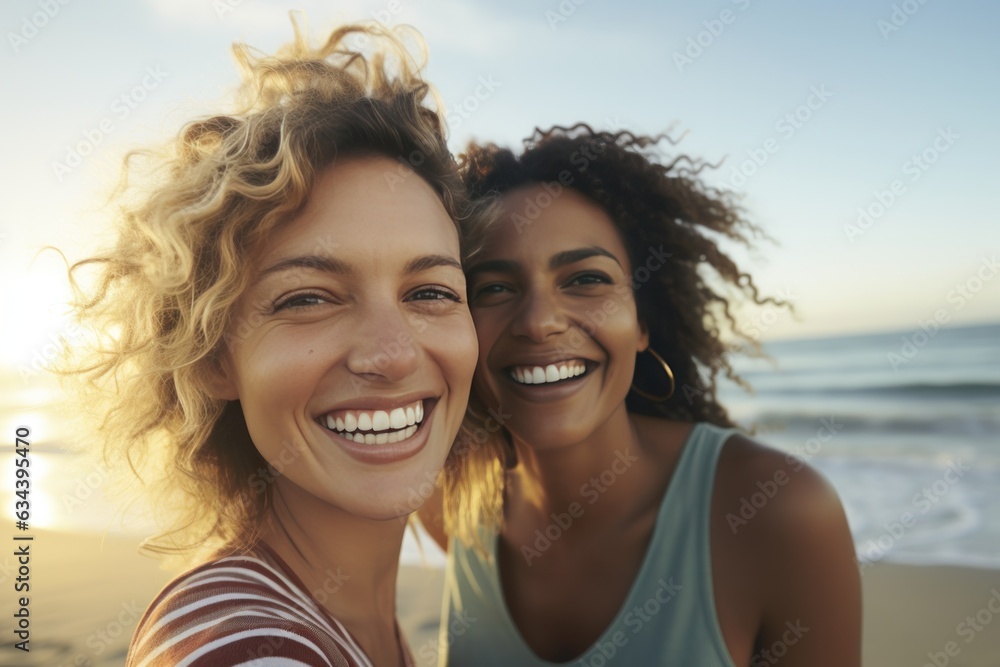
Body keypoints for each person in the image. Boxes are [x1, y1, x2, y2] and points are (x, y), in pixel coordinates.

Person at [60, 19, 490, 667]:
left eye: (430, 291)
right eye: (308, 298)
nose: (394, 353)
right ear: (211, 355)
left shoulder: (329, 610)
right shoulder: (247, 649)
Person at [420, 125, 861, 666]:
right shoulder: (445, 499)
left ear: (643, 319)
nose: (538, 323)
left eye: (586, 279)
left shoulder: (779, 514)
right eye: (493, 288)